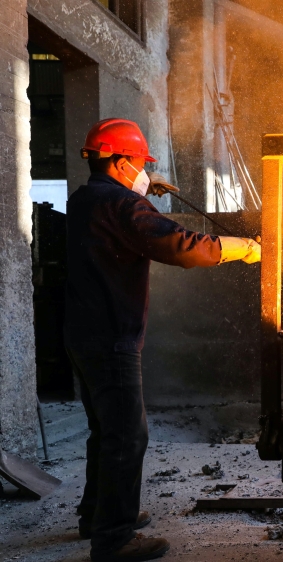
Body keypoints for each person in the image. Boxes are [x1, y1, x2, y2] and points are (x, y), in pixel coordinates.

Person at [64, 118, 261, 562]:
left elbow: (116, 204)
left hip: (82, 333)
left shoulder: (85, 198)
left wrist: (141, 187)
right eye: (139, 164)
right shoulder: (121, 205)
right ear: (120, 163)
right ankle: (113, 539)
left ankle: (96, 516)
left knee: (105, 431)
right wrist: (244, 248)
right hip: (112, 336)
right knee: (127, 436)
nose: (143, 170)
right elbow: (179, 245)